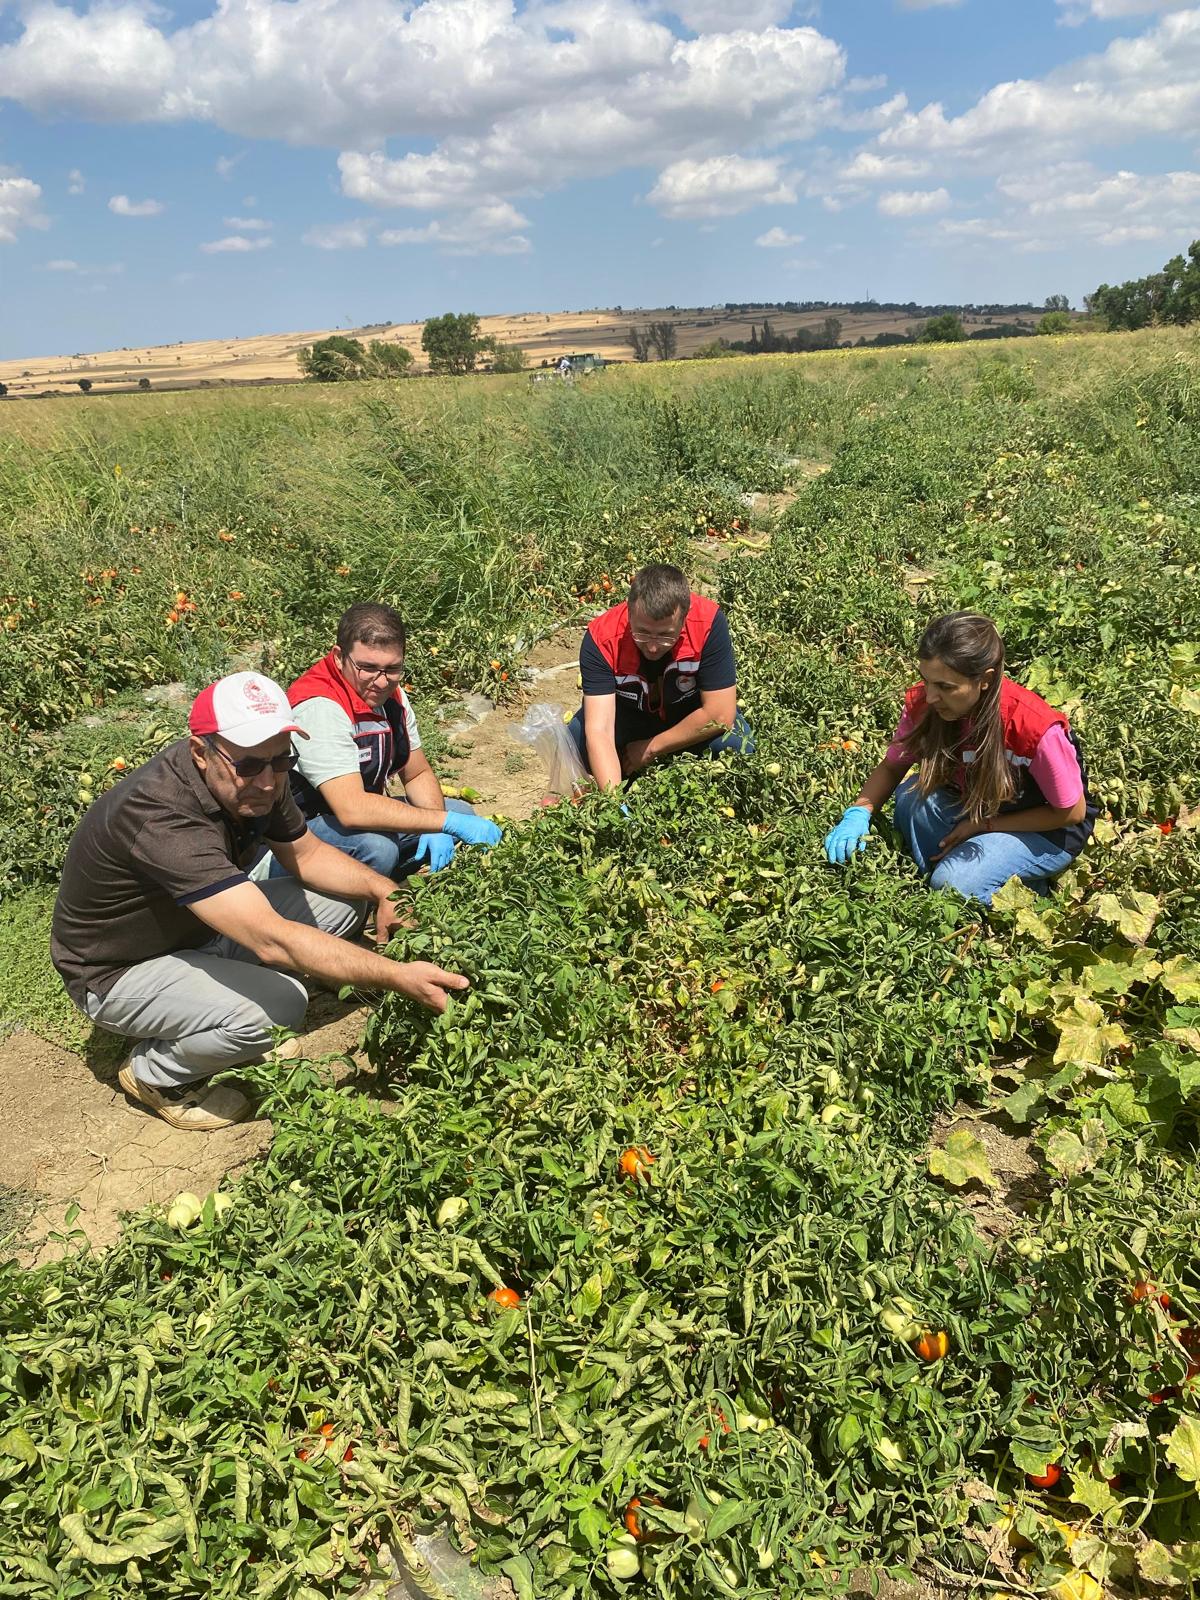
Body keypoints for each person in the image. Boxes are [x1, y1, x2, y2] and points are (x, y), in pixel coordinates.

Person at [51, 671, 469, 1132]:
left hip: (199, 926)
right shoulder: (162, 818)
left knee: (345, 901)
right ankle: (157, 1074)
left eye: (281, 760)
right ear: (199, 752)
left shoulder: (259, 777)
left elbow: (307, 855)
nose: (269, 781)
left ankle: (226, 1003)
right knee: (281, 1005)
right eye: (250, 764)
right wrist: (395, 975)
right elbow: (274, 941)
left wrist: (383, 890)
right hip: (120, 970)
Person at [823, 611, 1097, 905]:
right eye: (926, 681)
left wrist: (983, 826)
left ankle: (1030, 889)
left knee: (953, 885)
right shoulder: (926, 707)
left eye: (945, 687)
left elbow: (1071, 813)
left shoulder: (1032, 727)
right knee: (910, 799)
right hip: (981, 807)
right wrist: (858, 814)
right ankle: (982, 866)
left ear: (985, 680)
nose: (930, 697)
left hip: (1046, 830)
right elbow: (893, 767)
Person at [273, 603, 502, 881]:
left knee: (457, 812)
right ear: (338, 657)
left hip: (355, 818)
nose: (381, 682)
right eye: (367, 668)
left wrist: (439, 826)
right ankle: (352, 907)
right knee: (378, 847)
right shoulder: (321, 707)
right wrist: (442, 822)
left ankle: (393, 884)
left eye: (392, 669)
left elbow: (416, 772)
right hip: (299, 834)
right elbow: (352, 809)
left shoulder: (391, 697)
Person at [568, 563, 753, 789]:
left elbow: (720, 714)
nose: (653, 647)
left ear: (685, 618)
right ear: (629, 612)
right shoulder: (601, 637)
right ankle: (619, 783)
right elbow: (601, 730)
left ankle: (650, 766)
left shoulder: (708, 623)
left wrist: (650, 748)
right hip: (629, 716)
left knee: (736, 747)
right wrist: (613, 805)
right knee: (576, 739)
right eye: (643, 633)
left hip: (688, 716)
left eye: (666, 635)